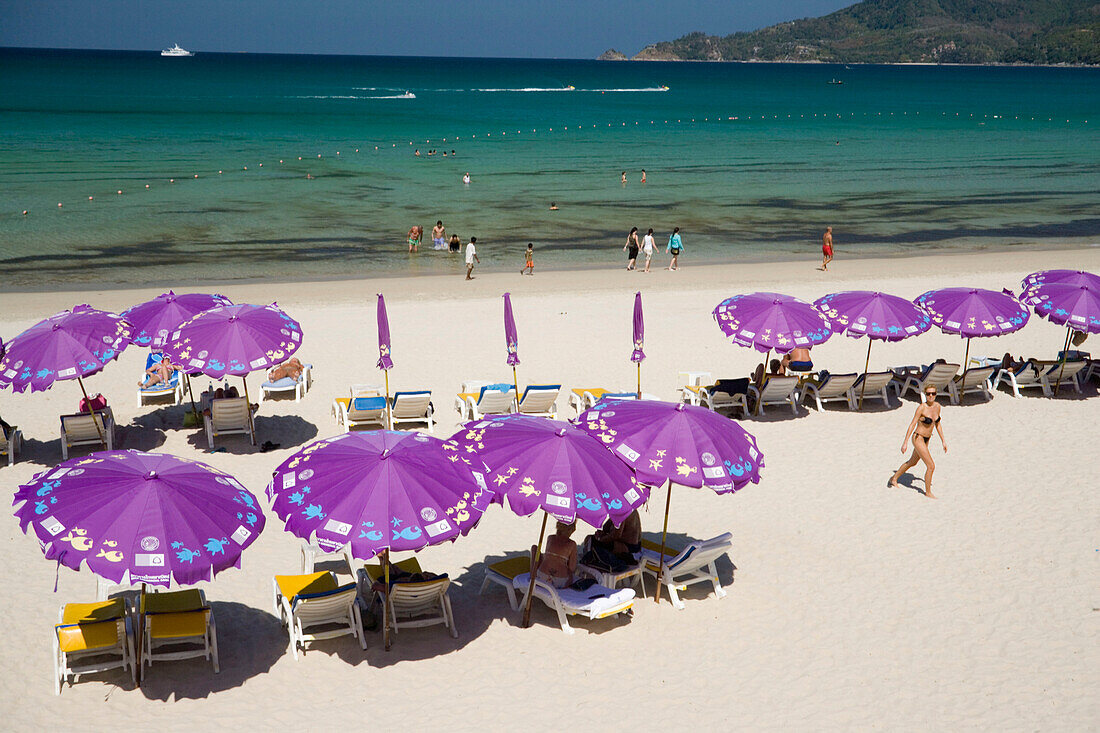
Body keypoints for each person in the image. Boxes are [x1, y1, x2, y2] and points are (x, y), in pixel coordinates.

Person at [889, 385, 947, 498]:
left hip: (927, 439)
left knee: (912, 462)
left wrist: (943, 441)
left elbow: (938, 424)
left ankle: (894, 478)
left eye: (933, 393)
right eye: (928, 394)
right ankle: (928, 493)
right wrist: (905, 442)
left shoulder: (938, 407)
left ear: (936, 394)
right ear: (925, 395)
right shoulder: (922, 408)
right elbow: (912, 424)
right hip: (918, 438)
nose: (931, 396)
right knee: (931, 466)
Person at [536, 521, 577, 588]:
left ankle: (532, 576)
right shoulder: (572, 544)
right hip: (559, 580)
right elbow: (572, 568)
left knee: (534, 549)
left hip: (542, 576)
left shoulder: (550, 538)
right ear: (571, 529)